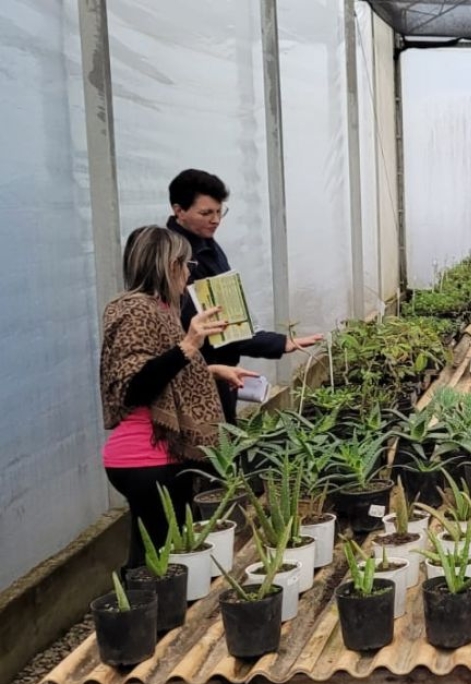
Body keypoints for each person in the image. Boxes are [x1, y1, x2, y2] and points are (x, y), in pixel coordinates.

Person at [101, 226, 255, 569]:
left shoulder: (158, 309)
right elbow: (134, 386)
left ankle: (142, 601)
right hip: (145, 457)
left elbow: (164, 375)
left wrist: (211, 370)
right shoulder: (134, 311)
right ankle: (140, 604)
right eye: (186, 265)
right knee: (160, 563)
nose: (188, 273)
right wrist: (189, 344)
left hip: (159, 456)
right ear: (171, 265)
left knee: (159, 558)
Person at [167, 169, 322, 422]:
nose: (216, 220)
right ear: (179, 210)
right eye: (206, 213)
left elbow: (229, 319)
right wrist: (278, 344)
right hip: (195, 377)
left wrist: (278, 343)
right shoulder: (177, 257)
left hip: (219, 370)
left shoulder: (207, 245)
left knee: (225, 436)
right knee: (213, 439)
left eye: (220, 211)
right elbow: (220, 327)